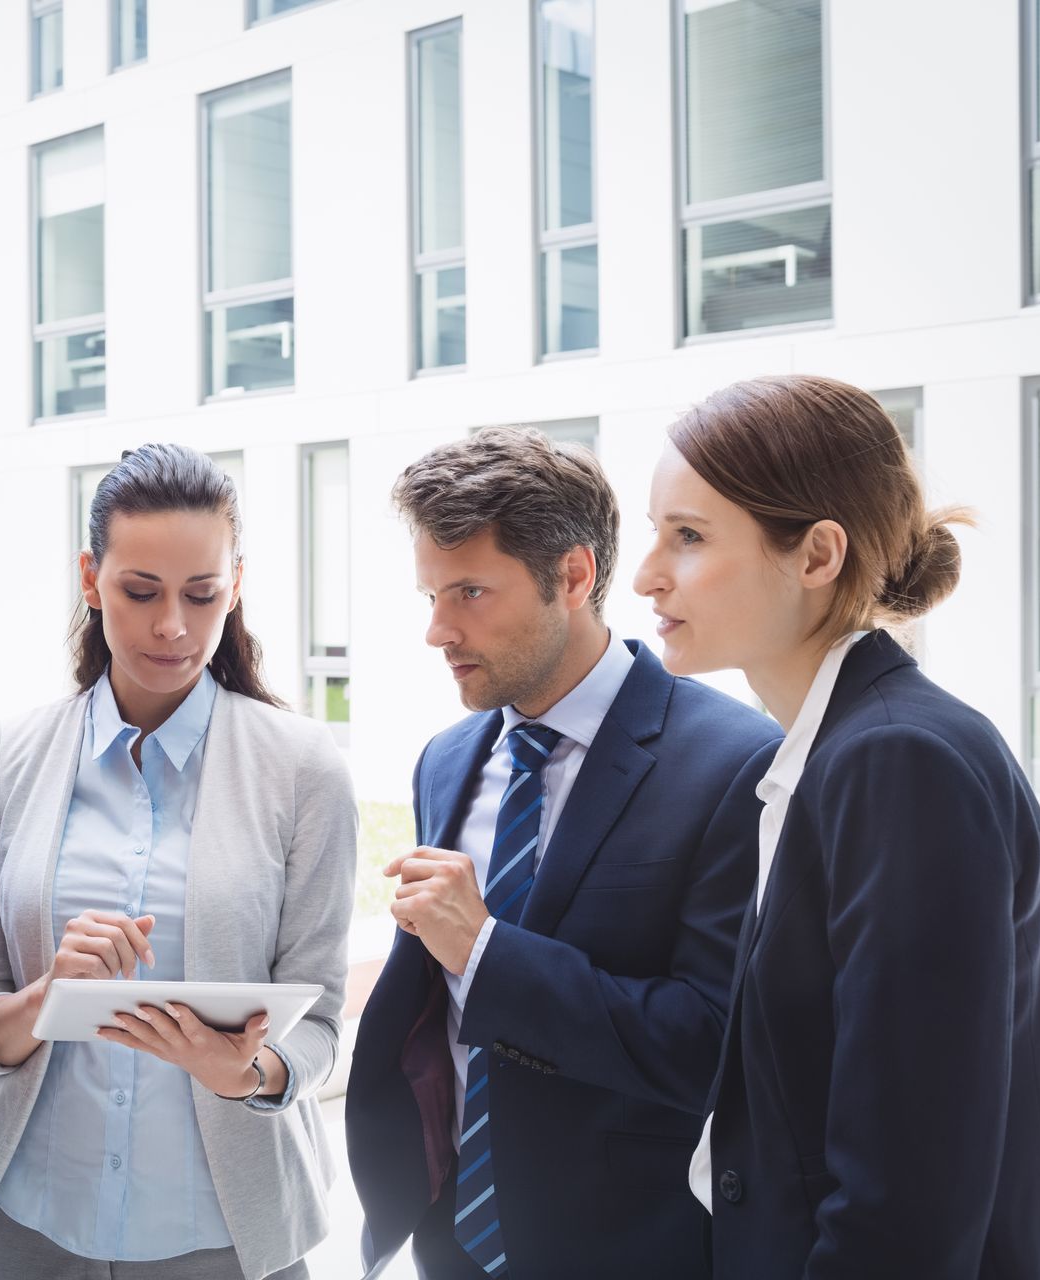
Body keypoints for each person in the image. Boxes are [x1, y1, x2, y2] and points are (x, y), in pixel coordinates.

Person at [637, 374, 1040, 1278]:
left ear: (817, 556)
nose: (647, 574)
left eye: (688, 536)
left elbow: (905, 1193)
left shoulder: (895, 763)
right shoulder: (842, 750)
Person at [347, 428, 782, 1279]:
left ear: (575, 577)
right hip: (451, 1237)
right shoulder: (445, 758)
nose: (439, 629)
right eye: (432, 594)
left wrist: (485, 950)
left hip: (628, 1247)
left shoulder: (736, 763)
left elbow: (713, 1046)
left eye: (469, 591)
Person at [0, 444, 357, 1280]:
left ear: (235, 586)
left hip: (225, 1238)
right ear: (90, 579)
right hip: (30, 1227)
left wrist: (245, 1073)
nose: (173, 626)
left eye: (202, 595)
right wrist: (44, 999)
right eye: (141, 592)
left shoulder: (304, 769)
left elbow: (319, 1025)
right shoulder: (6, 761)